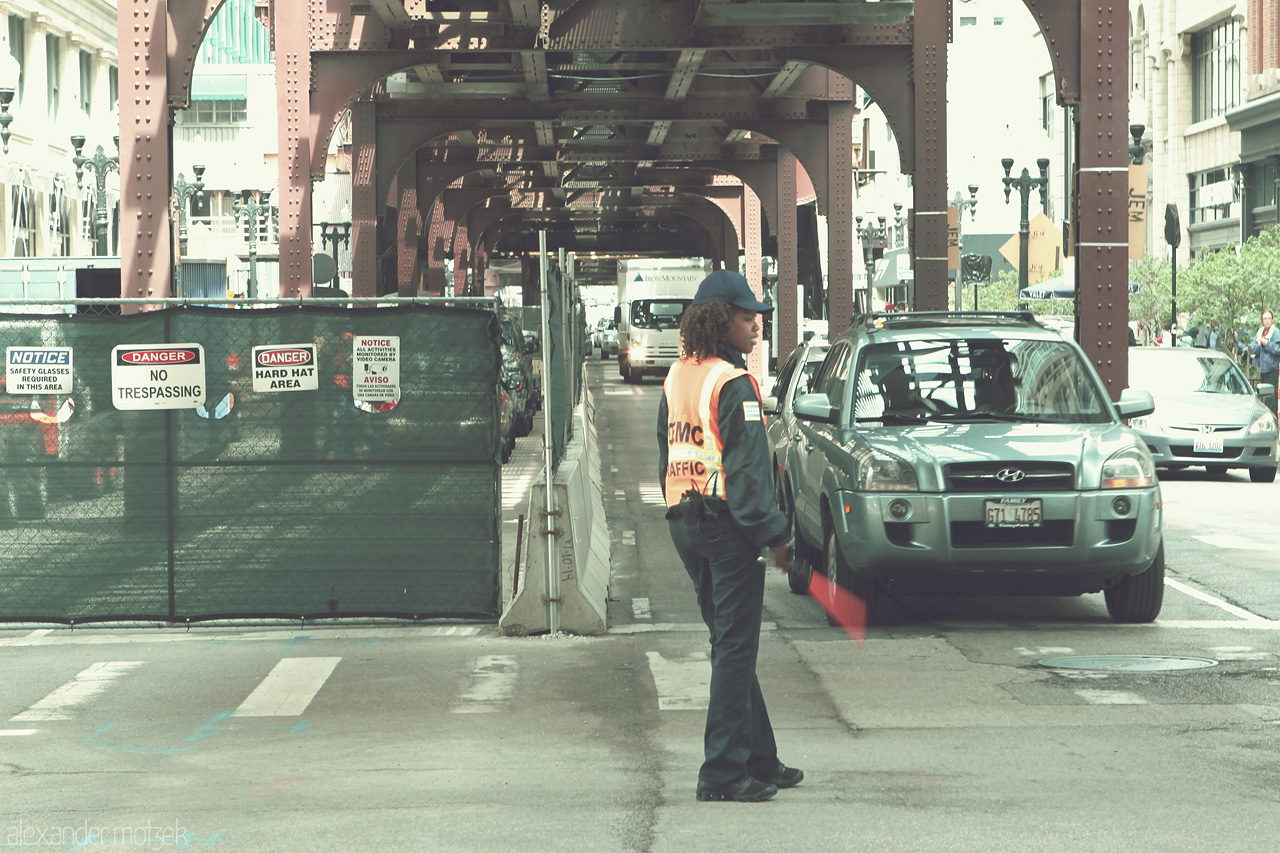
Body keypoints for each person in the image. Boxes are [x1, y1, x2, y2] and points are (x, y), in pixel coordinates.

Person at [657, 269, 800, 804]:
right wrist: (774, 534)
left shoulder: (679, 377)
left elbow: (665, 449)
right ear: (722, 321)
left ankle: (760, 759)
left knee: (729, 644)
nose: (757, 325)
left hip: (685, 521)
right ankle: (721, 772)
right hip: (726, 526)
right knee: (736, 648)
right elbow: (746, 473)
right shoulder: (733, 383)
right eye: (747, 317)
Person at [1249, 309, 1280, 415]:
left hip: (1272, 368)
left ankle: (1273, 417)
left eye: (1269, 318)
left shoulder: (1275, 332)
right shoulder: (1260, 332)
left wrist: (1267, 343)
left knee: (1271, 395)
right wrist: (1259, 344)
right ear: (1262, 320)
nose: (1267, 321)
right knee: (1264, 394)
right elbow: (1254, 348)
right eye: (1265, 319)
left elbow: (1278, 350)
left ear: (1272, 320)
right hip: (1263, 367)